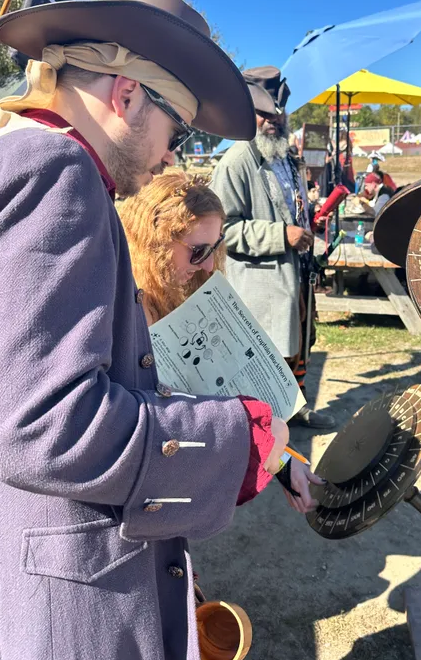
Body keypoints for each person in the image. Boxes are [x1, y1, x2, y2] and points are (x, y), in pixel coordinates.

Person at [0, 0, 294, 660]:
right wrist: (237, 437)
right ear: (125, 96)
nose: (167, 161)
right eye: (175, 133)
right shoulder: (54, 171)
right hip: (66, 600)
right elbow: (39, 424)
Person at [117, 169, 320, 510]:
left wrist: (283, 460)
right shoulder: (121, 309)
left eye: (214, 247)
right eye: (197, 251)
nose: (210, 265)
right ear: (153, 245)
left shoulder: (179, 294)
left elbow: (215, 392)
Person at [212, 66, 335, 430]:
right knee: (267, 356)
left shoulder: (287, 158)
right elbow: (223, 230)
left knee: (299, 347)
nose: (273, 120)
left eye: (278, 112)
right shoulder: (235, 163)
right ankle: (265, 429)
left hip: (294, 276)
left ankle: (294, 410)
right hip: (261, 284)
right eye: (265, 113)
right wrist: (282, 235)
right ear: (246, 114)